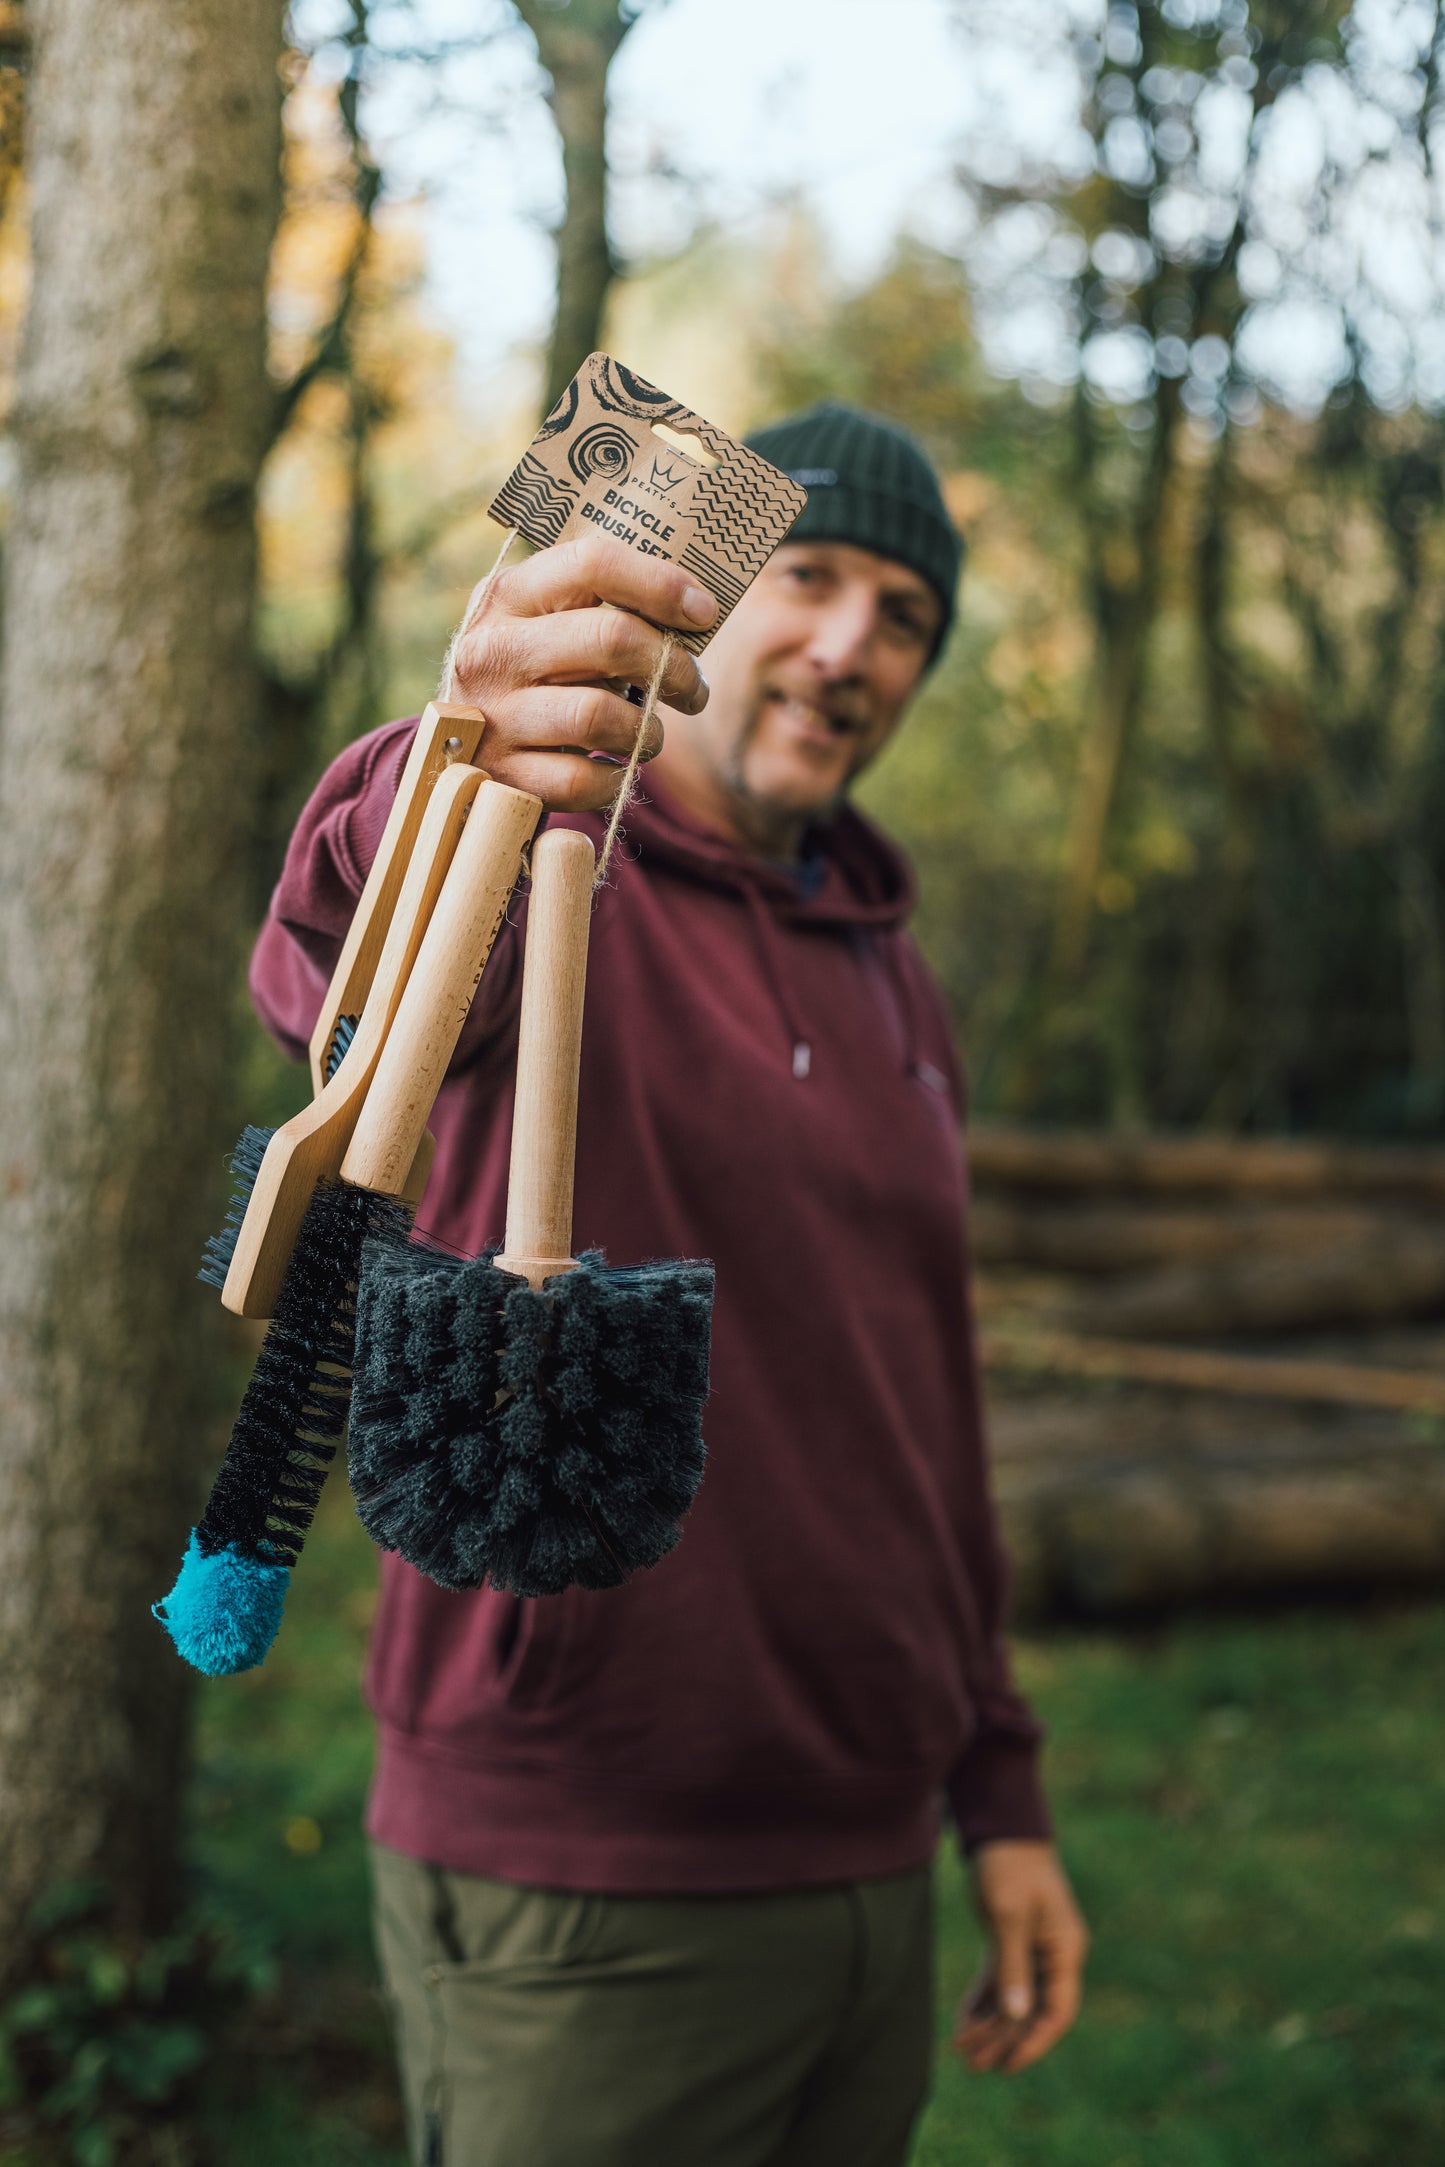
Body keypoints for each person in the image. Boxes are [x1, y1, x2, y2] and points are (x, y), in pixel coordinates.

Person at [252, 401, 1089, 2167]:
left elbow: (919, 1411)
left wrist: (992, 1791)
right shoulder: (559, 877)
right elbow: (357, 962)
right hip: (588, 1890)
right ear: (714, 597)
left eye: (905, 617)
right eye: (812, 578)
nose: (851, 645)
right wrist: (460, 759)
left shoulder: (894, 975)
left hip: (870, 1860)